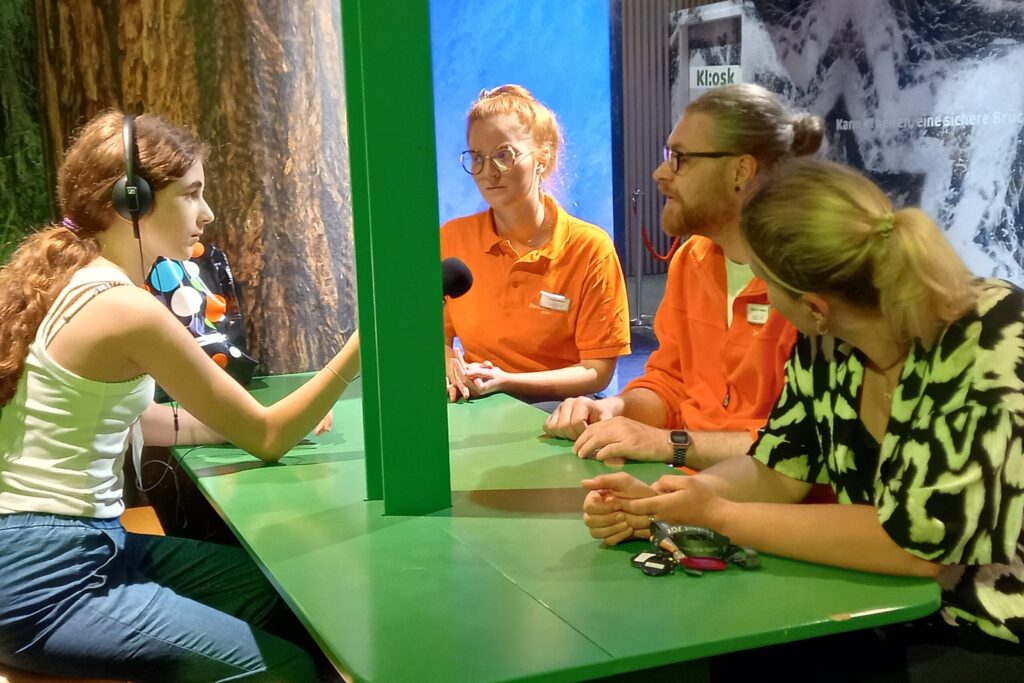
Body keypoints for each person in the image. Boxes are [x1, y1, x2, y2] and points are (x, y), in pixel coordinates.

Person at [583, 159, 1023, 674]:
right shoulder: (825, 344)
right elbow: (778, 468)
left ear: (814, 306)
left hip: (987, 632)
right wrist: (666, 503)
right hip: (874, 608)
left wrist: (719, 515)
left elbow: (917, 548)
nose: (764, 299)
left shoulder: (993, 336)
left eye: (766, 283)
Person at [0, 110, 359, 681]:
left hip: (90, 547)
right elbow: (267, 440)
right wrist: (368, 344)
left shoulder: (65, 281)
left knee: (286, 592)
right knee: (284, 668)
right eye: (192, 194)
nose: (207, 214)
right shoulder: (123, 307)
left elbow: (141, 420)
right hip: (48, 578)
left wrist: (236, 419)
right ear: (133, 201)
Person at [544, 84, 822, 468]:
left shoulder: (813, 284)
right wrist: (616, 409)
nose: (660, 174)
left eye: (680, 159)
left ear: (741, 170)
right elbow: (671, 383)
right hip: (694, 494)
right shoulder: (691, 260)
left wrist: (669, 444)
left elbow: (804, 449)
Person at [442, 85, 631, 404]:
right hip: (475, 401)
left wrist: (507, 381)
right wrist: (447, 360)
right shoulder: (451, 238)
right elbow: (434, 333)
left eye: (504, 155)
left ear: (544, 157)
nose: (488, 172)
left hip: (559, 409)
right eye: (477, 158)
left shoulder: (590, 248)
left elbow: (596, 371)